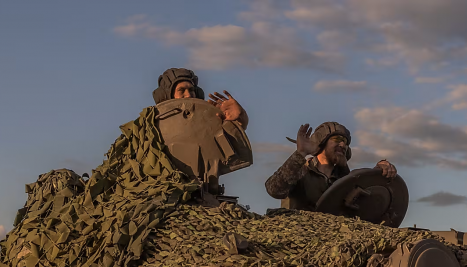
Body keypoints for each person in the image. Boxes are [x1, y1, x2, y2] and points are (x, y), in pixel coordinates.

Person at [265, 122, 397, 211]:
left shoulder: (345, 179)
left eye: (345, 142)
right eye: (337, 139)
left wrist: (379, 171)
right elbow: (274, 190)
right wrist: (301, 154)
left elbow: (366, 203)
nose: (343, 145)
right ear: (321, 142)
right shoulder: (300, 171)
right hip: (299, 240)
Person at [152, 67, 249, 130]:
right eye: (181, 90)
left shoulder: (208, 123)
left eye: (191, 90)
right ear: (167, 96)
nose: (188, 95)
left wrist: (241, 119)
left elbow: (235, 150)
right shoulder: (152, 126)